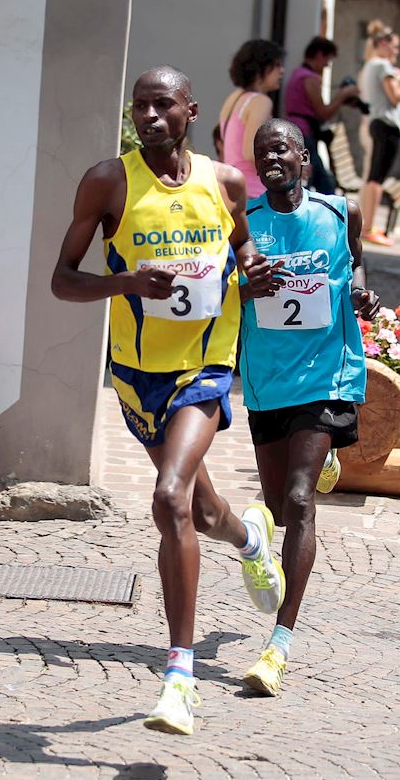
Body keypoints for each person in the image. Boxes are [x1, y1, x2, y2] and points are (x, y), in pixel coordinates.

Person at [51, 66, 287, 736]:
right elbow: (62, 282)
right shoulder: (109, 182)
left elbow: (243, 249)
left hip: (206, 366)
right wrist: (124, 281)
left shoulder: (226, 182)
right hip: (136, 375)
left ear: (190, 110)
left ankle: (178, 679)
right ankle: (248, 537)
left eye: (163, 105)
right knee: (201, 508)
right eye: (140, 107)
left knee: (168, 497)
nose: (150, 116)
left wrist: (256, 271)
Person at [238, 119, 380, 696]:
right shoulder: (243, 223)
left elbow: (358, 264)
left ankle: (279, 644)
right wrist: (246, 290)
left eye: (281, 148)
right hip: (267, 380)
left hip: (326, 374)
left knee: (299, 502)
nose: (272, 157)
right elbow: (224, 290)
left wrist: (362, 294)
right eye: (262, 152)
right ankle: (258, 538)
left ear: (303, 157)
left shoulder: (341, 212)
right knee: (274, 503)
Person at [356, 23, 400, 247]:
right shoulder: (381, 65)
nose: (396, 52)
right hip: (385, 125)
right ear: (382, 44)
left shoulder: (372, 65)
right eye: (394, 46)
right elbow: (396, 96)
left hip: (378, 123)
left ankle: (368, 225)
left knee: (374, 176)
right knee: (376, 178)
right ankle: (369, 227)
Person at [282, 36, 361, 195]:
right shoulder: (310, 79)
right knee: (322, 182)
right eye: (327, 61)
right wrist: (342, 96)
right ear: (319, 55)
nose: (326, 66)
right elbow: (323, 113)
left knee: (312, 179)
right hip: (304, 134)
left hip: (297, 132)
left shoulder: (298, 74)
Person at [216, 39, 285, 202]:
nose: (282, 71)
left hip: (232, 190)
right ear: (260, 68)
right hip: (255, 194)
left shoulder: (234, 98)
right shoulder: (261, 101)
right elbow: (252, 152)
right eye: (276, 65)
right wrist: (289, 165)